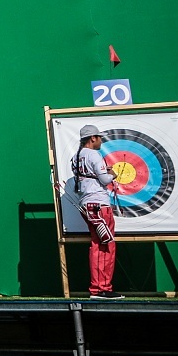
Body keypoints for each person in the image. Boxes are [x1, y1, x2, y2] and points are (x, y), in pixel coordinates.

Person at [71, 124, 123, 299]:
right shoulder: (94, 154)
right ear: (92, 138)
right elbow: (104, 179)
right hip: (99, 205)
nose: (101, 140)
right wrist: (113, 174)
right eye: (99, 137)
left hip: (87, 204)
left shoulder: (75, 156)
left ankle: (99, 288)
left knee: (97, 244)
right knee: (105, 244)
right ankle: (102, 288)